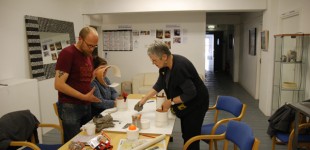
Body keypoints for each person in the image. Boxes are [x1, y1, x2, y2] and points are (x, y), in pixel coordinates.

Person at [136, 42, 209, 150]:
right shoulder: (165, 66)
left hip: (196, 103)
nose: (152, 62)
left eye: (154, 60)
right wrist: (144, 99)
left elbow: (190, 93)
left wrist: (170, 101)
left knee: (191, 137)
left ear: (164, 56)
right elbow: (159, 84)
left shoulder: (179, 67)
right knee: (186, 134)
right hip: (187, 101)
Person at [54, 26, 100, 142]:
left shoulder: (88, 55)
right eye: (89, 45)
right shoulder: (67, 53)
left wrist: (95, 74)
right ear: (80, 39)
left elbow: (83, 79)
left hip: (85, 105)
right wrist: (83, 96)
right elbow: (59, 84)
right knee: (74, 143)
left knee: (87, 140)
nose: (92, 49)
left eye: (94, 46)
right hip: (70, 107)